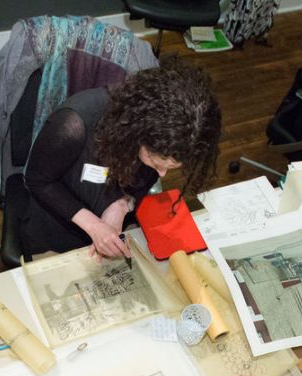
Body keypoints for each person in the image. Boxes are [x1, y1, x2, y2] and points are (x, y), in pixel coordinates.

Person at [22, 56, 222, 259]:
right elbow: (37, 180)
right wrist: (94, 225)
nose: (161, 173)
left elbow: (141, 182)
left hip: (115, 226)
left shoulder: (165, 135)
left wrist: (122, 204)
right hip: (59, 226)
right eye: (156, 163)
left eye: (171, 168)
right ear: (139, 132)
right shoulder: (72, 125)